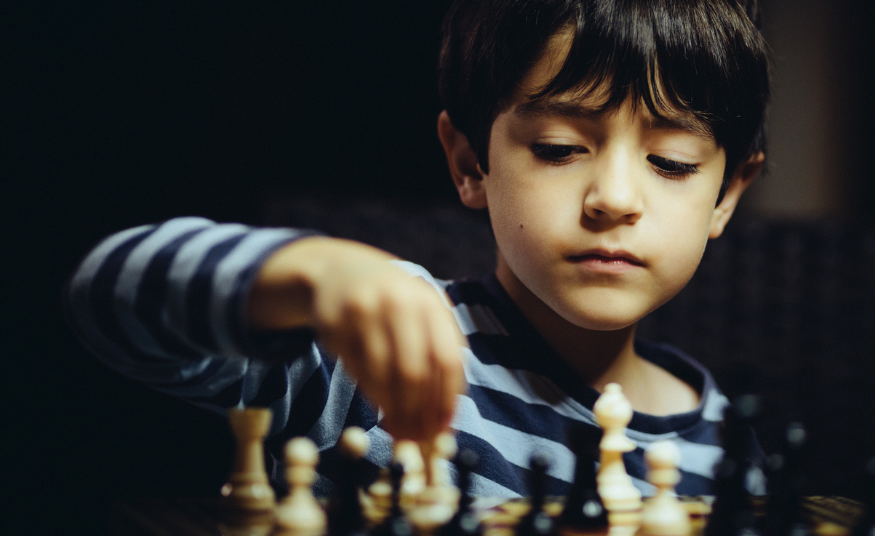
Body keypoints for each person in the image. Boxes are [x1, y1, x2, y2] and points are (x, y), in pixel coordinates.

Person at [65, 0, 770, 498]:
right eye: (559, 148)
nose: (614, 198)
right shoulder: (377, 349)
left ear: (728, 195)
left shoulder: (731, 445)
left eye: (672, 162)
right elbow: (106, 299)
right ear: (469, 163)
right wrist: (309, 272)